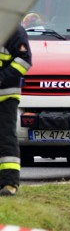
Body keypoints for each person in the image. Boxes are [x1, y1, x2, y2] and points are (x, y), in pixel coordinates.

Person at [0, 25, 32, 196]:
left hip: (5, 97)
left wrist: (2, 77)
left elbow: (24, 60)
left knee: (5, 138)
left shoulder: (13, 29)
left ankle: (9, 183)